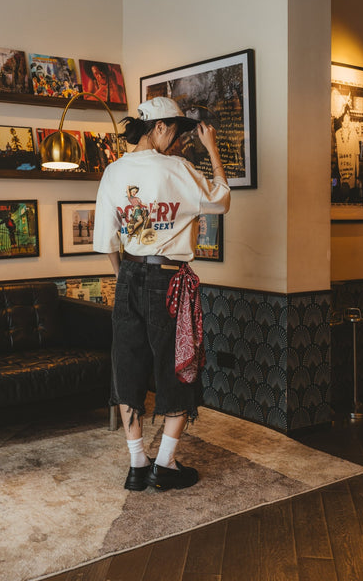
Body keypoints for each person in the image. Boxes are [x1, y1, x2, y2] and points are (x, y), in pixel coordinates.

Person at [93, 96, 230, 492]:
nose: (179, 140)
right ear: (159, 127)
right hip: (168, 279)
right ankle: (165, 464)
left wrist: (126, 277)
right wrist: (212, 149)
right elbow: (222, 200)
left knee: (128, 366)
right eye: (177, 131)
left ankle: (138, 464)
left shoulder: (114, 171)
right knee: (177, 367)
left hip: (128, 275)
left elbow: (107, 241)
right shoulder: (178, 169)